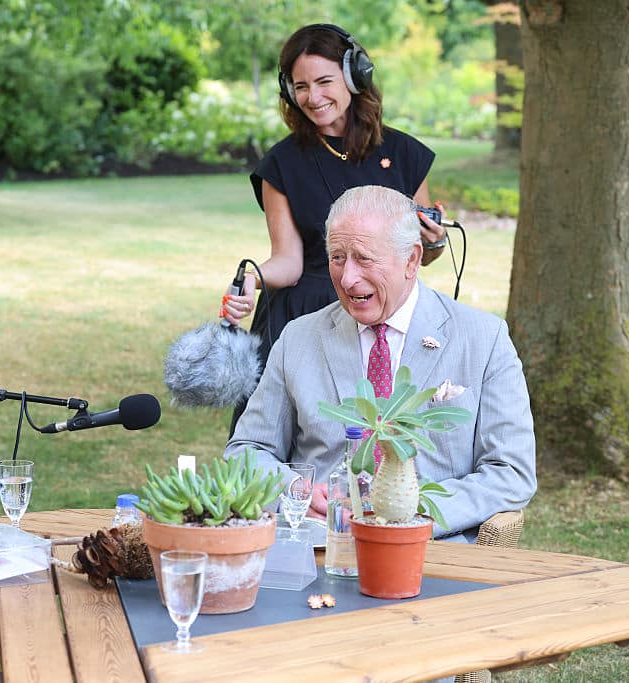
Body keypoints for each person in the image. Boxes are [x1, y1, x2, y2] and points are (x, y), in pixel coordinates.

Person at [225, 185, 536, 542]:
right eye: (337, 257)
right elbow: (246, 452)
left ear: (412, 260)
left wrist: (409, 510)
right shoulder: (298, 338)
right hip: (321, 546)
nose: (347, 278)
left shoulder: (483, 339)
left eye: (364, 258)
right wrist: (296, 490)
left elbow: (511, 472)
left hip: (431, 550)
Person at [221, 24, 448, 432]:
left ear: (355, 76)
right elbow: (288, 261)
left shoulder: (404, 154)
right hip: (303, 315)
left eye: (324, 81)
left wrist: (435, 241)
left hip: (384, 311)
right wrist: (253, 278)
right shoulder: (281, 164)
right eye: (300, 86)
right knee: (287, 439)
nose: (313, 97)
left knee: (383, 438)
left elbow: (419, 257)